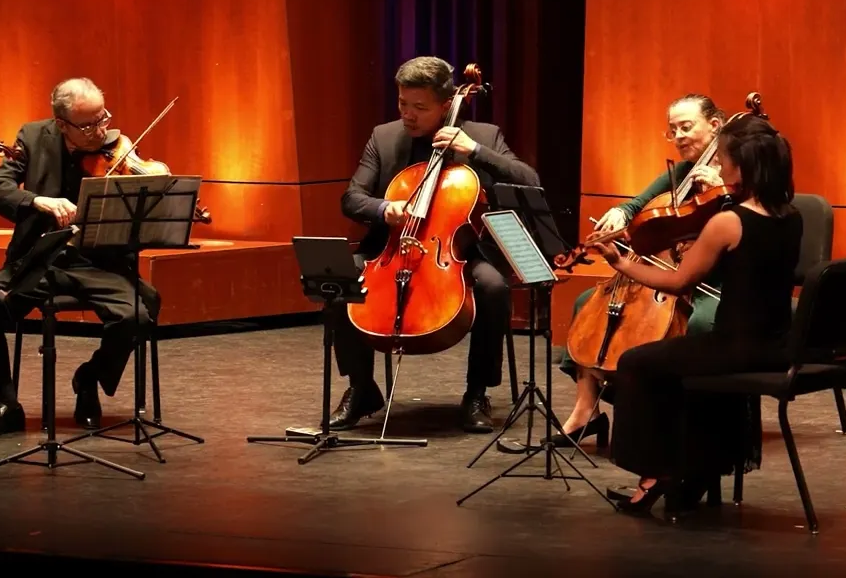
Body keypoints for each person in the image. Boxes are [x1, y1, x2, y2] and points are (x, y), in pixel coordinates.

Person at [585, 115, 800, 513]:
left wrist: (621, 262)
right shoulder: (791, 215)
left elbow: (678, 281)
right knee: (678, 362)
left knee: (636, 362)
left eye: (723, 160)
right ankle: (695, 471)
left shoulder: (728, 222)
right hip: (777, 345)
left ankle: (655, 474)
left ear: (742, 167)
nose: (719, 167)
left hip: (735, 347)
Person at [331, 56, 541, 433]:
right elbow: (352, 197)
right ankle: (361, 388)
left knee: (493, 287)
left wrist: (476, 151)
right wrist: (384, 208)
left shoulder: (483, 135)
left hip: (460, 250)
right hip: (392, 247)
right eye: (402, 103)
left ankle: (476, 393)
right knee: (336, 280)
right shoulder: (384, 137)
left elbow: (530, 181)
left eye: (419, 107)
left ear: (446, 106)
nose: (408, 115)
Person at [0, 77, 161, 437]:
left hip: (99, 263)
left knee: (137, 316)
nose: (101, 131)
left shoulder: (116, 150)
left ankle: (89, 378)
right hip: (40, 259)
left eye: (103, 118)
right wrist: (37, 200)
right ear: (61, 124)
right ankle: (7, 402)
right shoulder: (33, 137)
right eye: (88, 125)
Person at [554, 94, 726, 448]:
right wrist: (621, 213)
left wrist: (721, 191)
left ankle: (694, 415)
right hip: (669, 270)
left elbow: (751, 221)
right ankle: (586, 411)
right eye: (672, 130)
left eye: (686, 127)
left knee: (698, 322)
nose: (678, 136)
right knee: (587, 302)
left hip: (715, 276)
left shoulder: (738, 169)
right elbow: (639, 205)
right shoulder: (682, 172)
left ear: (714, 125)